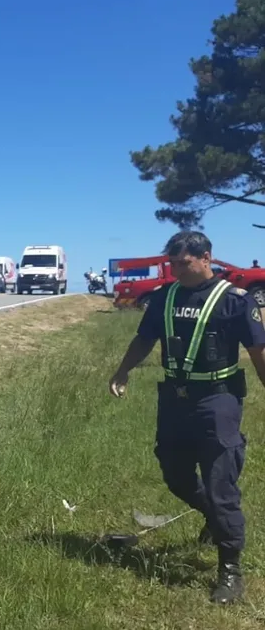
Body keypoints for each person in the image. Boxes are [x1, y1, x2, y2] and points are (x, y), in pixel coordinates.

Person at [109, 230, 265, 605]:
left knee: (219, 481)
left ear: (206, 258)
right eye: (173, 263)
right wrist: (122, 371)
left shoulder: (234, 301)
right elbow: (144, 339)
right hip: (176, 397)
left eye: (185, 263)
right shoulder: (164, 298)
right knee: (175, 473)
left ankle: (230, 570)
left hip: (218, 398)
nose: (178, 269)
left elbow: (258, 348)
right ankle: (213, 517)